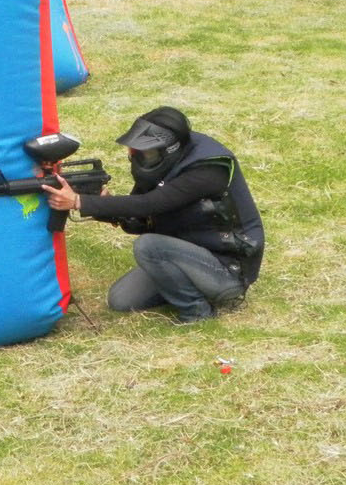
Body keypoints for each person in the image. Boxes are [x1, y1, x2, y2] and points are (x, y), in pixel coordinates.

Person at [42, 106, 264, 324]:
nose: (139, 158)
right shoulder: (165, 163)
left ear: (169, 150)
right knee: (121, 300)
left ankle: (196, 312)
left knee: (149, 246)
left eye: (146, 153)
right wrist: (105, 207)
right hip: (188, 253)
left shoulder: (208, 170)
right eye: (135, 152)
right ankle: (188, 285)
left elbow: (150, 204)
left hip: (226, 269)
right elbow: (139, 220)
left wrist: (80, 201)